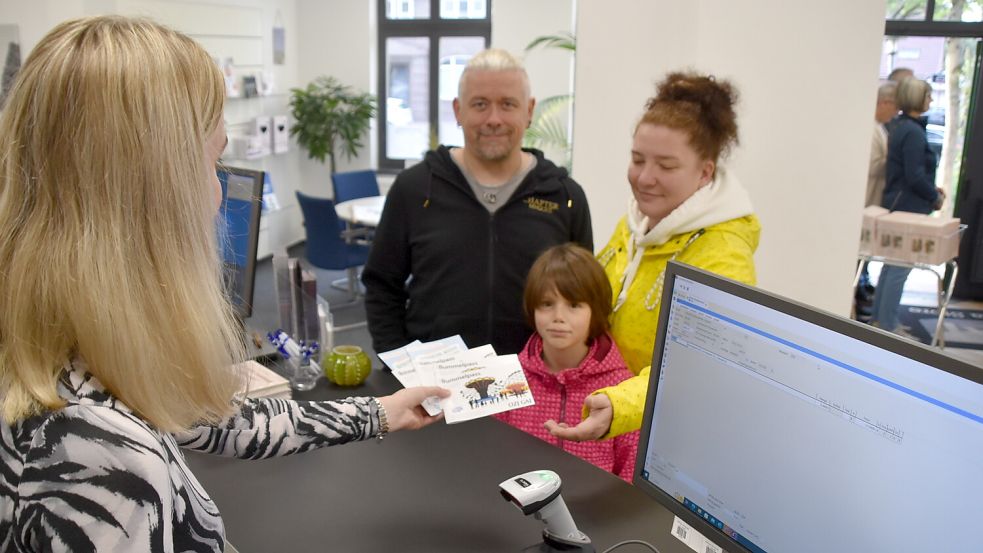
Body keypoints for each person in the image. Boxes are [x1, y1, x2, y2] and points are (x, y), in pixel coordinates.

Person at [0, 16, 447, 552]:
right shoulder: (97, 456)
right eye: (213, 163)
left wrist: (380, 412)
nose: (220, 195)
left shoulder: (60, 356)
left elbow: (210, 418)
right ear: (149, 196)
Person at [545, 72, 760, 442]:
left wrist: (620, 405)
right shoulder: (634, 225)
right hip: (609, 425)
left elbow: (699, 369)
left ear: (704, 172)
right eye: (638, 159)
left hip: (668, 439)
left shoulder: (724, 255)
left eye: (666, 165)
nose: (645, 178)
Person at [362, 48, 593, 357]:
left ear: (529, 110)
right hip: (434, 386)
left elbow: (584, 295)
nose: (493, 119)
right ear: (459, 110)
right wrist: (397, 363)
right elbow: (381, 285)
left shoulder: (564, 197)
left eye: (508, 104)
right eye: (480, 104)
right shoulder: (415, 189)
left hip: (535, 384)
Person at [494, 244, 638, 482]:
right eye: (547, 304)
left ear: (596, 310)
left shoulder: (621, 390)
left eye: (574, 305)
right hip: (515, 511)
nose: (558, 317)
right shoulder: (508, 378)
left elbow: (631, 472)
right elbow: (491, 457)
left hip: (597, 515)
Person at [870, 78, 944, 337]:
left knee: (893, 266)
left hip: (899, 203)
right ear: (917, 98)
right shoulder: (912, 132)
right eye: (928, 96)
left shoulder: (900, 127)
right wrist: (934, 196)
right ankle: (887, 326)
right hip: (908, 206)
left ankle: (880, 321)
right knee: (899, 267)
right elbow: (914, 175)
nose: (931, 101)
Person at [867, 81, 898, 208]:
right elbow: (871, 166)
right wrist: (895, 160)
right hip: (868, 195)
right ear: (884, 103)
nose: (896, 113)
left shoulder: (880, 127)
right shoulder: (871, 128)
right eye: (896, 107)